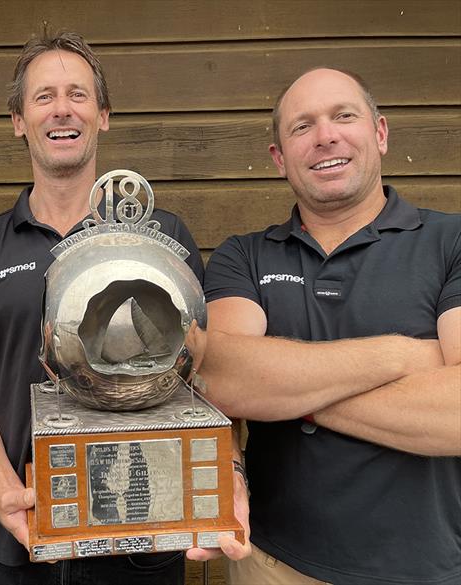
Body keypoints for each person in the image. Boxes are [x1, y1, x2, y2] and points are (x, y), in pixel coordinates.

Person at [0, 31, 249, 585]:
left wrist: (226, 472)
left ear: (103, 115)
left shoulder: (163, 237)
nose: (63, 109)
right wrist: (3, 491)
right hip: (18, 538)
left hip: (144, 539)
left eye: (79, 94)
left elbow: (201, 379)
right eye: (44, 96)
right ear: (19, 119)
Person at [197, 67, 461, 585]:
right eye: (302, 127)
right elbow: (222, 381)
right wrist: (403, 357)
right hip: (272, 564)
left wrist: (282, 388)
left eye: (344, 116)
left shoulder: (449, 242)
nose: (326, 136)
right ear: (279, 158)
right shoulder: (243, 256)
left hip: (423, 569)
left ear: (380, 133)